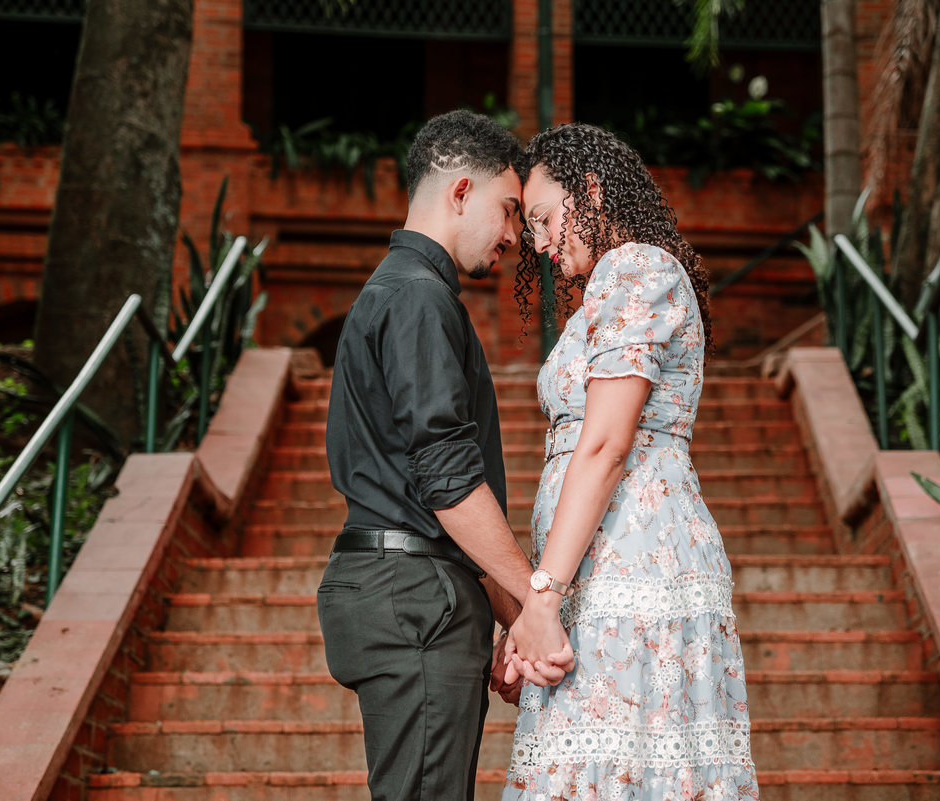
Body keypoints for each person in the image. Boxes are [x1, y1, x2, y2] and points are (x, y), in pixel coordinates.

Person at [500, 123, 760, 800]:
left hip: (632, 568)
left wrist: (541, 594)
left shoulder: (634, 268)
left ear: (589, 192)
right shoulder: (609, 287)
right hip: (599, 568)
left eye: (545, 219)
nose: (539, 242)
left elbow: (608, 442)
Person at [318, 109, 571, 801]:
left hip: (410, 586)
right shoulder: (419, 298)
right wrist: (536, 599)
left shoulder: (400, 293)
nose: (515, 237)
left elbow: (434, 492)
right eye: (509, 211)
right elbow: (448, 482)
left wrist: (510, 615)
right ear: (460, 191)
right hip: (413, 599)